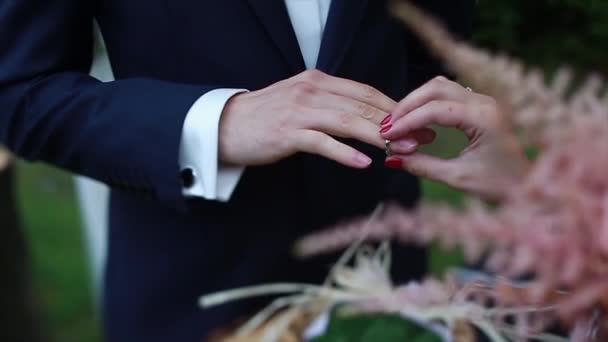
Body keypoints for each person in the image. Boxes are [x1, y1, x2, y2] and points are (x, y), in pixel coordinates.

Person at [0, 0, 517, 340]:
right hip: (191, 296)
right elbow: (18, 90)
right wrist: (216, 123)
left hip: (387, 287)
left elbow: (431, 44)